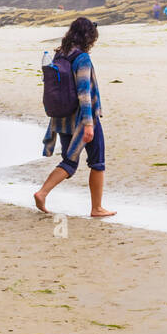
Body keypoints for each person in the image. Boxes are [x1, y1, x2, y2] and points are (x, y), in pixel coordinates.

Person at [34, 16, 116, 218]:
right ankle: (96, 208)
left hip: (62, 119)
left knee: (69, 161)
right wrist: (89, 124)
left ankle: (43, 192)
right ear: (89, 37)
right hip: (83, 119)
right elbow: (84, 93)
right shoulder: (82, 59)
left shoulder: (59, 55)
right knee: (97, 162)